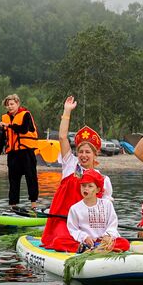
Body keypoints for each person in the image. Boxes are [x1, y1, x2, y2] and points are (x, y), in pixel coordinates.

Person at [40, 97, 103, 252]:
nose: (83, 155)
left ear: (95, 155)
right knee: (60, 241)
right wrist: (67, 111)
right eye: (80, 151)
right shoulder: (70, 163)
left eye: (87, 152)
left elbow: (104, 207)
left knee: (119, 242)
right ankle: (81, 247)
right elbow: (62, 137)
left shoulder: (101, 177)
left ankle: (94, 245)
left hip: (88, 222)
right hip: (64, 220)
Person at [0, 93, 40, 209]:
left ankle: (33, 206)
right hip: (13, 153)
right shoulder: (5, 118)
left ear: (17, 104)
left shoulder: (26, 115)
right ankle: (13, 206)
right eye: (7, 105)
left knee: (31, 178)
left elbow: (24, 130)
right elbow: (1, 139)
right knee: (13, 180)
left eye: (12, 104)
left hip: (26, 152)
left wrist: (8, 125)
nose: (10, 107)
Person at [66, 171, 124, 252]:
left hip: (104, 241)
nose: (86, 188)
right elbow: (73, 229)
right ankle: (92, 249)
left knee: (124, 243)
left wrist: (107, 236)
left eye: (90, 186)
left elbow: (112, 224)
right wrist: (85, 237)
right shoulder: (75, 208)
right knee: (60, 241)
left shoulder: (107, 204)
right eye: (83, 186)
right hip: (87, 242)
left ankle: (99, 249)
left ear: (97, 190)